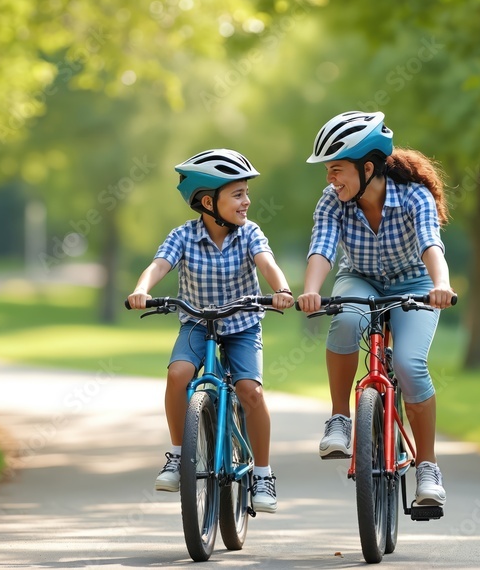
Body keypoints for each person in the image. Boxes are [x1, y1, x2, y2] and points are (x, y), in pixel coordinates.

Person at [296, 111, 456, 508]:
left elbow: (430, 243)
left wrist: (440, 284)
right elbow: (322, 247)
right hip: (360, 278)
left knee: (408, 363)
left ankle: (428, 468)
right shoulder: (333, 201)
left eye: (336, 170)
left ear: (368, 167)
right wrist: (312, 291)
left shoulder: (413, 195)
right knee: (347, 320)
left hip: (415, 282)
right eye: (328, 172)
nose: (330, 179)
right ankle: (339, 418)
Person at [128, 148, 294, 513]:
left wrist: (280, 290)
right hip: (197, 323)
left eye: (246, 192)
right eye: (237, 194)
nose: (247, 201)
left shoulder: (249, 233)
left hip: (242, 325)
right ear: (208, 201)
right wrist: (143, 290)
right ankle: (176, 455)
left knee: (249, 390)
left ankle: (263, 475)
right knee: (178, 374)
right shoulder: (183, 236)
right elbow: (159, 265)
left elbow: (267, 263)